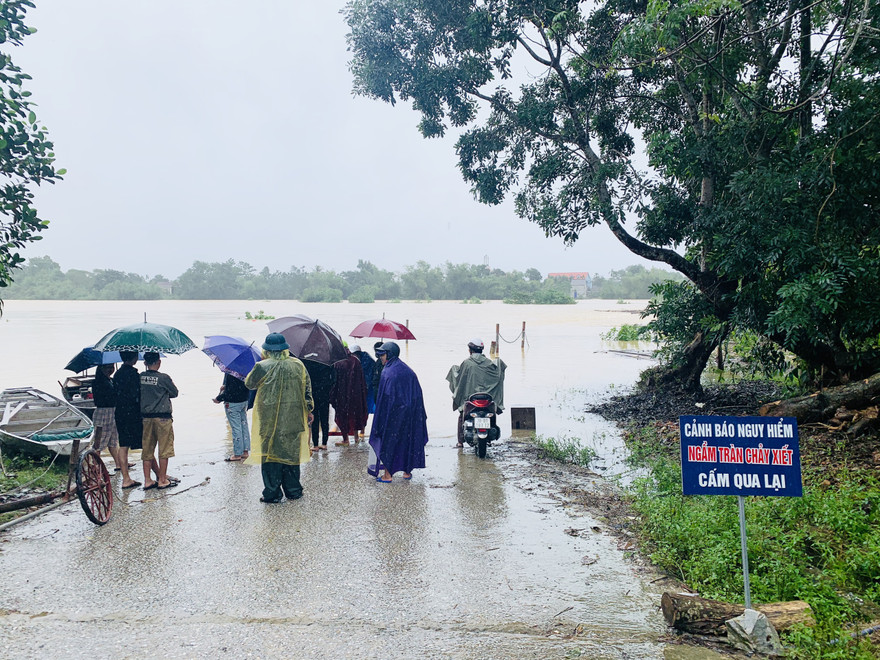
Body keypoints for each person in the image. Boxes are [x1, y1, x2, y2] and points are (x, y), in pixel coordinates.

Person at [245, 333, 314, 503]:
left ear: (267, 350)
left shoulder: (262, 366)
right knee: (291, 455)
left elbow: (249, 383)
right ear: (286, 349)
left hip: (269, 420)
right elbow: (307, 390)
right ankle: (293, 490)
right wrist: (309, 410)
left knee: (270, 456)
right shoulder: (298, 365)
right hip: (293, 417)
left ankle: (273, 492)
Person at [368, 341, 429, 483]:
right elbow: (417, 394)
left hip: (394, 414)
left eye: (382, 354)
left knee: (389, 441)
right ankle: (407, 472)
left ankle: (387, 475)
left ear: (389, 355)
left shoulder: (388, 372)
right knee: (408, 439)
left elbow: (385, 398)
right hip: (411, 413)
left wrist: (382, 418)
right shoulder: (407, 369)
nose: (380, 357)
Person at [446, 338, 507, 448]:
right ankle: (488, 439)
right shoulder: (489, 363)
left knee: (461, 415)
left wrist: (454, 370)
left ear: (470, 350)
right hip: (487, 399)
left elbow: (460, 379)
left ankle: (460, 442)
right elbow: (498, 375)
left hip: (472, 399)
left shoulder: (467, 363)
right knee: (491, 411)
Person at [140, 352, 179, 490]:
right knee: (164, 449)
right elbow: (175, 393)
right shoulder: (163, 378)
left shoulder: (140, 378)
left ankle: (147, 480)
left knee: (147, 449)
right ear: (159, 362)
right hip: (163, 417)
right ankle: (162, 479)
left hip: (145, 417)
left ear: (145, 363)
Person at [113, 351, 143, 489]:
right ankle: (154, 476)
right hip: (133, 413)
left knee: (123, 445)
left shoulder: (117, 375)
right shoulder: (134, 375)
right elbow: (138, 394)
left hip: (120, 412)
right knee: (145, 444)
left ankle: (126, 478)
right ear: (135, 358)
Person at [330, 347, 369, 446]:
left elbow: (335, 381)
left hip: (342, 394)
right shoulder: (356, 361)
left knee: (342, 416)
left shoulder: (338, 363)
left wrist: (332, 395)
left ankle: (345, 439)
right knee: (355, 415)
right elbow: (362, 380)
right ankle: (356, 438)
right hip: (356, 395)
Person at [90, 363, 125, 474]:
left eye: (112, 367)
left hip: (113, 411)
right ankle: (95, 467)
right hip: (104, 412)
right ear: (101, 369)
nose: (110, 370)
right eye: (107, 368)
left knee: (113, 441)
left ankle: (119, 464)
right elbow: (111, 395)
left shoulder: (109, 380)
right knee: (99, 442)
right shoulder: (99, 382)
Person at [213, 372, 251, 461]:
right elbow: (244, 386)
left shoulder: (231, 372)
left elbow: (230, 392)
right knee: (244, 425)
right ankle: (245, 452)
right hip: (244, 400)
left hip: (232, 403)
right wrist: (225, 387)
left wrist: (218, 398)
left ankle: (237, 454)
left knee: (236, 428)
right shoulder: (246, 370)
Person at [303, 359, 334, 452]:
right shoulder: (327, 362)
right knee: (325, 419)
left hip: (313, 395)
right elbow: (333, 379)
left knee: (314, 420)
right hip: (324, 394)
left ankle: (315, 445)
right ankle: (324, 443)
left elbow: (306, 380)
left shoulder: (308, 362)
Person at [350, 344, 377, 415]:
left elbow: (367, 377)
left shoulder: (366, 362)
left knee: (364, 408)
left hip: (367, 389)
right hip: (363, 389)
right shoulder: (363, 359)